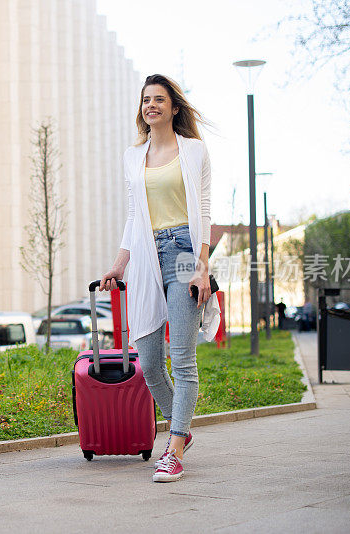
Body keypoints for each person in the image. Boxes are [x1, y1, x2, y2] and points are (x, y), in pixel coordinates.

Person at [99, 74, 218, 483]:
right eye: (146, 100)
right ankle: (179, 427)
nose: (152, 105)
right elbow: (134, 216)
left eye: (160, 99)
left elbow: (203, 209)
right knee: (149, 361)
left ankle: (175, 448)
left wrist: (202, 266)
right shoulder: (133, 157)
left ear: (174, 107)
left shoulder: (195, 150)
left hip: (185, 252)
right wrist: (119, 264)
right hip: (148, 253)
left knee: (182, 358)